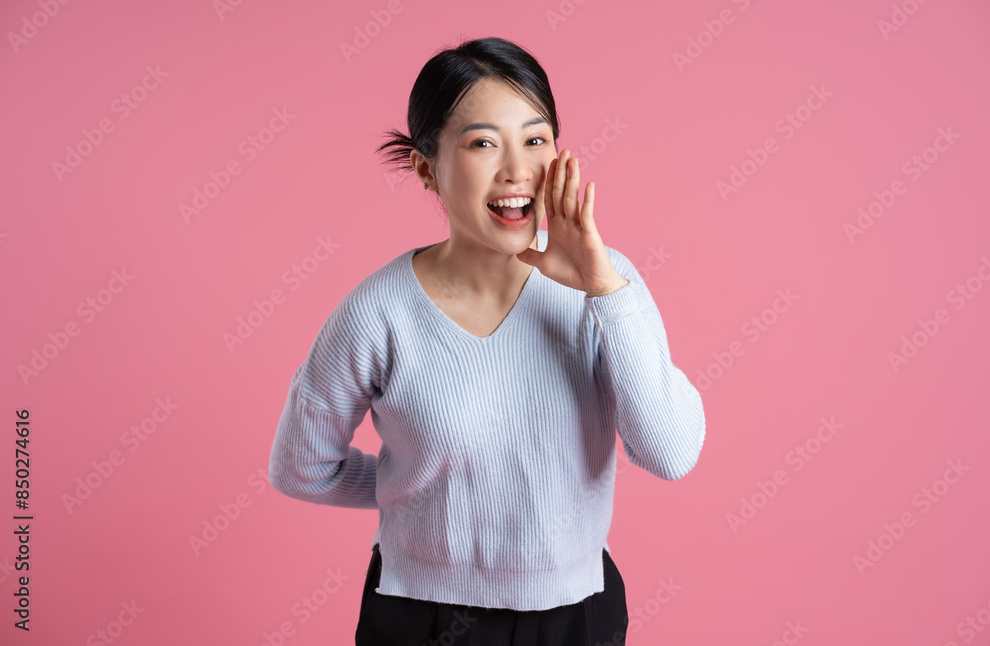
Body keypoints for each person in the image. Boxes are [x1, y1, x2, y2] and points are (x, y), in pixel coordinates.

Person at [267, 36, 706, 646]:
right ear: (427, 167)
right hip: (421, 615)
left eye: (535, 139)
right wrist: (421, 487)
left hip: (577, 613)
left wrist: (603, 288)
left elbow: (672, 452)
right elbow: (299, 467)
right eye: (482, 143)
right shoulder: (378, 312)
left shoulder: (610, 289)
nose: (516, 170)